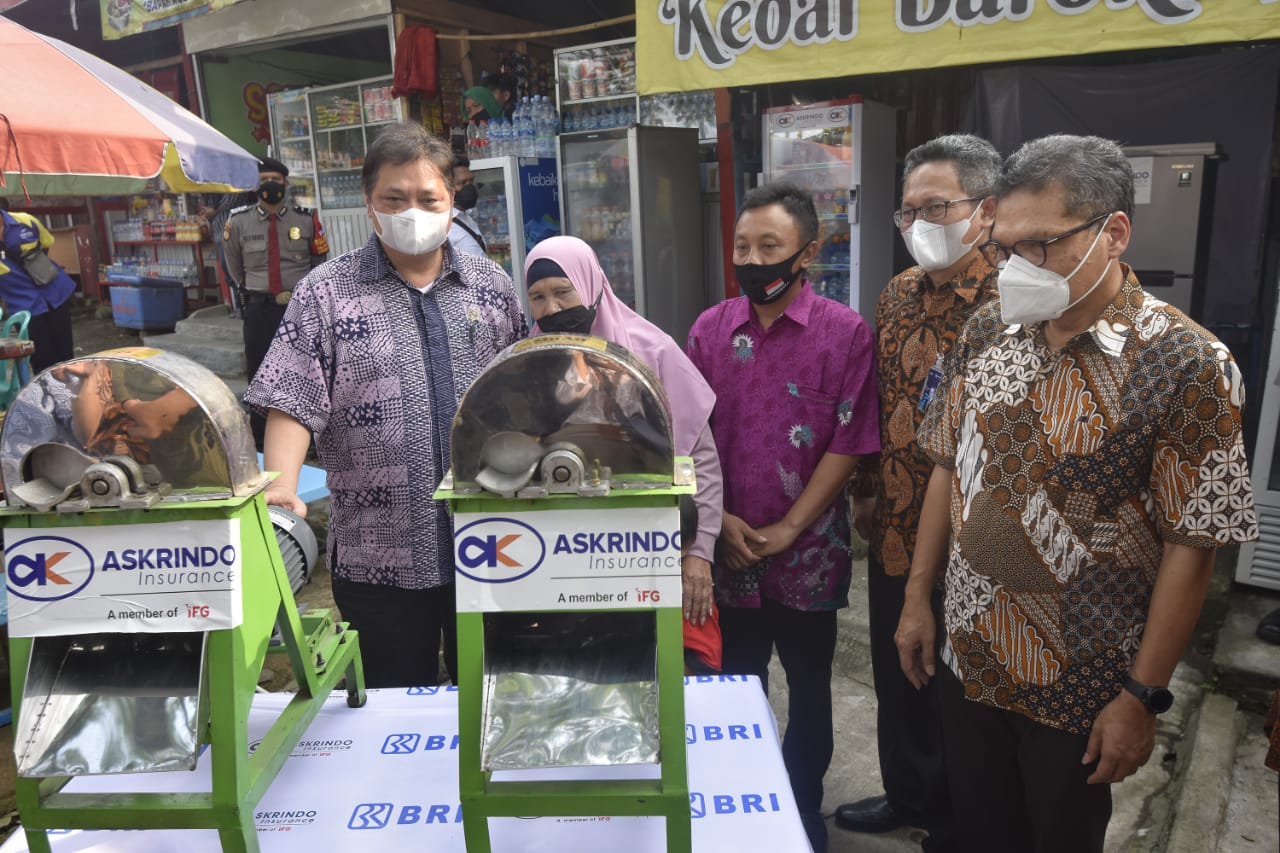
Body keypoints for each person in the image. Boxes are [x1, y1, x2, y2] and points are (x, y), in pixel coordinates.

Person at [896, 134, 1259, 853]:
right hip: (972, 658)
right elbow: (946, 462)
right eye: (1004, 248)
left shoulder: (1187, 365)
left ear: (1112, 233)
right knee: (980, 831)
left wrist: (1142, 696)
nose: (1016, 267)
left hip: (1081, 683)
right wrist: (916, 596)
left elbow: (1194, 545)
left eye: (1042, 246)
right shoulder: (990, 328)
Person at [244, 123, 527, 688]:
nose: (412, 211)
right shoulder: (326, 292)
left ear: (451, 201)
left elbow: (522, 390)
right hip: (380, 553)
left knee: (494, 692)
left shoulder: (490, 286)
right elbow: (293, 398)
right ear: (369, 205)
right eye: (394, 198)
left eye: (428, 199)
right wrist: (282, 485)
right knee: (396, 708)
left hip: (496, 543)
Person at [686, 183, 880, 853]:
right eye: (743, 246)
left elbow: (851, 440)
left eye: (770, 246)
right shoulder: (710, 331)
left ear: (808, 252)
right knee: (735, 687)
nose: (754, 258)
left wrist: (791, 527)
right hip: (727, 548)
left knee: (810, 687)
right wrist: (722, 523)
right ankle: (741, 807)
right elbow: (691, 435)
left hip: (809, 556)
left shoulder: (844, 332)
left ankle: (800, 812)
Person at [835, 134, 1001, 850]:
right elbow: (879, 400)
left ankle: (956, 815)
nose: (919, 225)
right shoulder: (897, 295)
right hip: (897, 523)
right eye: (907, 213)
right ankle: (906, 795)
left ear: (985, 211)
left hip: (981, 542)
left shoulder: (1014, 298)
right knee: (897, 672)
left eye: (936, 207)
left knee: (959, 692)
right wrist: (867, 491)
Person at [523, 235, 722, 673]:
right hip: (564, 558)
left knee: (669, 672)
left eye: (562, 290)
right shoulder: (527, 362)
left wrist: (699, 553)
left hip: (650, 546)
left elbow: (699, 459)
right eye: (537, 297)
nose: (551, 308)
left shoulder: (652, 352)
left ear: (591, 284)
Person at [223, 157, 328, 446]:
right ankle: (262, 440)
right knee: (259, 372)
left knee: (306, 372)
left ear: (286, 184)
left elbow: (319, 260)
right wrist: (253, 289)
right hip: (260, 308)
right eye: (264, 178)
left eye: (276, 179)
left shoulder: (305, 220)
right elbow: (233, 265)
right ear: (255, 185)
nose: (270, 184)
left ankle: (309, 439)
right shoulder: (238, 222)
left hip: (299, 309)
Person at [0, 197, 76, 373]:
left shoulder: (25, 221)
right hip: (24, 308)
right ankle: (50, 399)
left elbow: (47, 242)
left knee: (66, 358)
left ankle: (71, 398)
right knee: (42, 363)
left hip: (55, 293)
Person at [449, 157, 487, 258]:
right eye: (463, 182)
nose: (469, 187)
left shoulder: (466, 217)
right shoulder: (446, 227)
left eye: (471, 181)